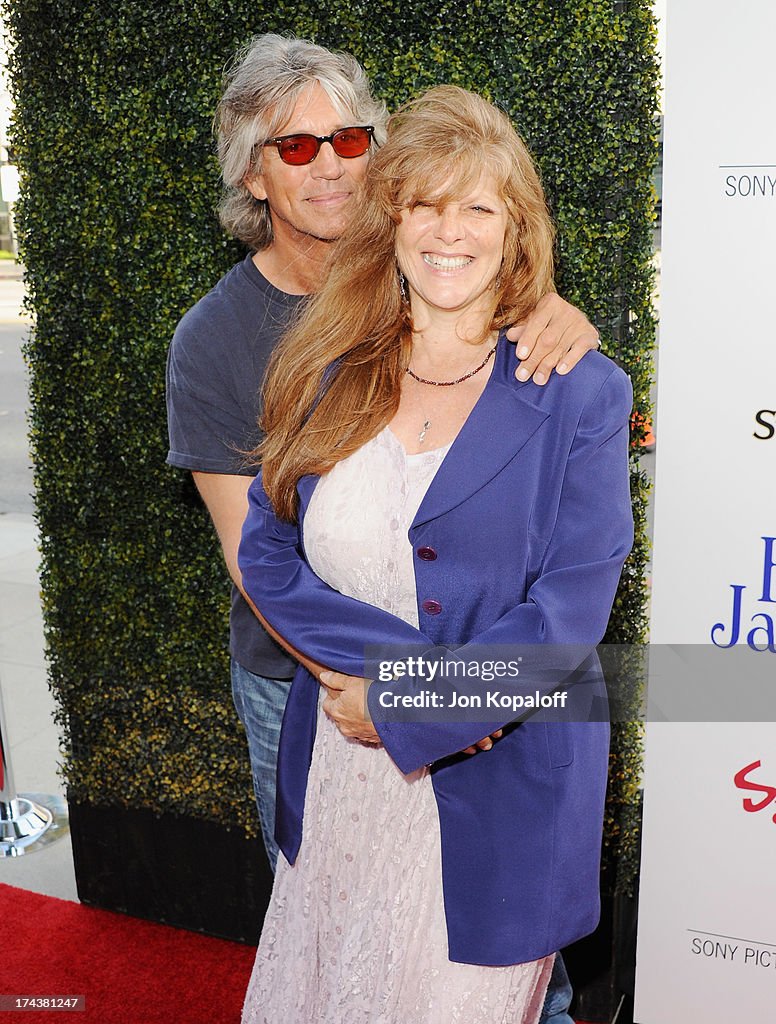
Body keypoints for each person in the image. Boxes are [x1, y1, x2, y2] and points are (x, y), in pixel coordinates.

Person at [166, 33, 598, 1021]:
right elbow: (259, 555)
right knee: (346, 939)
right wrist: (384, 688)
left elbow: (557, 592)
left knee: (504, 959)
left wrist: (433, 689)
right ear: (252, 174)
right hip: (308, 686)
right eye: (294, 146)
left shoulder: (456, 304)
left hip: (479, 695)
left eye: (348, 139)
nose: (328, 165)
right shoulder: (227, 341)